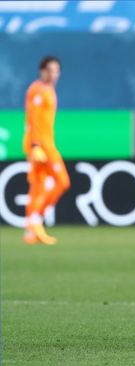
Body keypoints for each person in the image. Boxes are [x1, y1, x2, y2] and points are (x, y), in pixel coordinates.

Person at [23, 56, 70, 245]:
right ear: (42, 71)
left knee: (38, 186)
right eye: (50, 70)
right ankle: (35, 220)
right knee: (62, 181)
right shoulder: (37, 89)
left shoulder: (49, 89)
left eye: (57, 70)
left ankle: (31, 230)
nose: (54, 74)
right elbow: (32, 117)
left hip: (45, 143)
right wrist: (34, 145)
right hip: (41, 145)